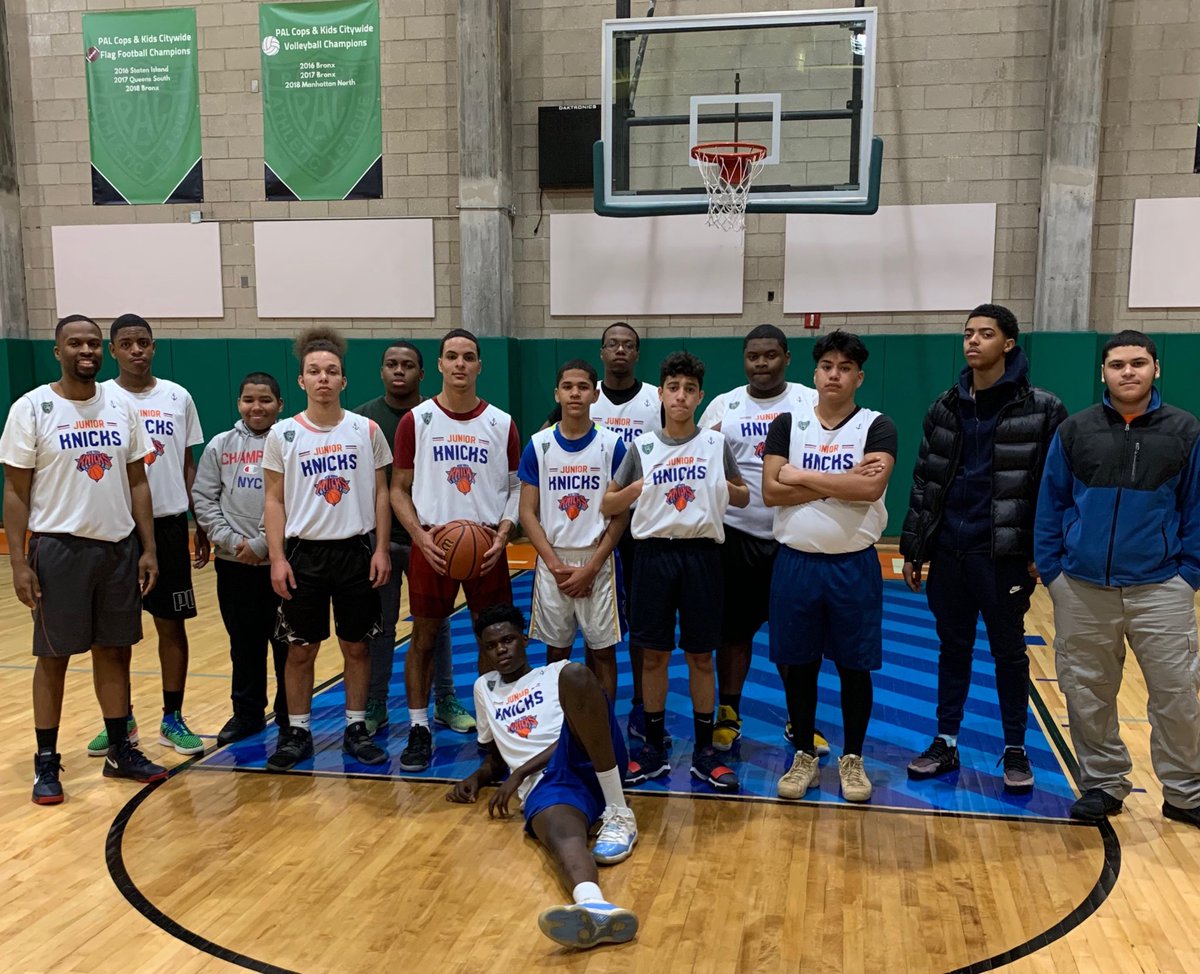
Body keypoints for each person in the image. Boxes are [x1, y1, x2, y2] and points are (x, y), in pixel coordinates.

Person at [1035, 331, 1200, 828]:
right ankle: (1103, 784)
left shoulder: (1185, 430)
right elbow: (1051, 502)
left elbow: (1195, 506)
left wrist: (1189, 574)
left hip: (1162, 587)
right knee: (1086, 693)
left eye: (1138, 363)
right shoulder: (1075, 430)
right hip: (1082, 588)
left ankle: (1186, 793)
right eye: (1117, 364)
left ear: (1156, 369)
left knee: (1177, 694)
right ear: (1102, 372)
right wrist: (1053, 572)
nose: (1128, 372)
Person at [900, 304, 1067, 793]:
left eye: (986, 334)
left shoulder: (1044, 408)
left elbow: (1054, 488)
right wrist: (915, 547)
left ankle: (1015, 748)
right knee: (953, 648)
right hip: (950, 551)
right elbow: (924, 481)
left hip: (1004, 555)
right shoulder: (945, 406)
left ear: (1008, 344)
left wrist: (1041, 549)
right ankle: (946, 740)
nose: (973, 341)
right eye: (968, 333)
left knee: (1009, 653)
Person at [1, 314, 167, 803]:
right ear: (58, 352)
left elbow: (138, 481)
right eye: (75, 343)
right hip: (58, 548)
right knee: (53, 657)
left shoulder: (120, 406)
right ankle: (46, 761)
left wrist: (148, 548)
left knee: (115, 651)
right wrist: (18, 561)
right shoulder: (32, 408)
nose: (87, 350)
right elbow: (16, 491)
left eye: (93, 343)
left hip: (117, 548)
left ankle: (120, 750)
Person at [447, 603, 638, 950]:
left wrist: (519, 772)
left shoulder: (555, 673)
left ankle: (619, 810)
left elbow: (584, 726)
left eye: (507, 640)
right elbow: (495, 756)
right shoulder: (483, 688)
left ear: (524, 640)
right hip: (548, 786)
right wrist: (478, 776)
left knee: (578, 674)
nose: (501, 650)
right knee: (563, 839)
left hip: (587, 753)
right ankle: (594, 907)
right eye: (491, 646)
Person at [602, 351, 749, 790]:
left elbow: (743, 496)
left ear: (700, 396)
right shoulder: (642, 448)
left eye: (689, 389)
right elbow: (608, 503)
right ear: (661, 395)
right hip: (652, 557)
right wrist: (636, 487)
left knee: (701, 656)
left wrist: (724, 488)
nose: (681, 396)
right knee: (654, 655)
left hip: (702, 556)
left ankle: (704, 751)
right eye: (673, 388)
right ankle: (652, 747)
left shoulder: (715, 445)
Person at [762, 330, 897, 804]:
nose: (834, 375)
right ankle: (804, 753)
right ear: (815, 373)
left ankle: (853, 758)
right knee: (798, 665)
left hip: (852, 565)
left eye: (844, 368)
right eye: (826, 366)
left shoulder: (877, 426)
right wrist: (841, 481)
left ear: (859, 377)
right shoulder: (788, 423)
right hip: (795, 563)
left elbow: (869, 490)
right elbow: (771, 492)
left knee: (854, 667)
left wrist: (800, 475)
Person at [262, 328, 393, 771]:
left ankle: (356, 728)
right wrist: (277, 558)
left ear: (343, 380)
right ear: (301, 380)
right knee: (301, 650)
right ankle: (298, 731)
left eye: (331, 371)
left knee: (356, 646)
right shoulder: (282, 434)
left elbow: (381, 493)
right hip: (304, 554)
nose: (323, 378)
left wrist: (380, 548)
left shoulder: (367, 430)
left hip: (355, 551)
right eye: (314, 371)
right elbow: (274, 500)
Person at [391, 328, 520, 772]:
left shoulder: (501, 422)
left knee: (494, 639)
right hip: (433, 544)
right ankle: (418, 728)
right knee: (423, 638)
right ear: (440, 365)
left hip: (486, 546)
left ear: (480, 365)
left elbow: (517, 487)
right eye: (452, 356)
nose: (460, 364)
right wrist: (419, 536)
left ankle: (493, 728)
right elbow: (398, 488)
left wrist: (504, 533)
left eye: (468, 356)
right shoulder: (417, 420)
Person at [697, 323, 823, 754]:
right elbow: (700, 462)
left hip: (793, 538)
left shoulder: (808, 400)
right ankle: (728, 714)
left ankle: (800, 720)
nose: (761, 364)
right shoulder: (723, 405)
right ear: (744, 360)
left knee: (794, 636)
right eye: (753, 356)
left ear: (787, 358)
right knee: (732, 634)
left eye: (770, 355)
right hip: (736, 536)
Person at [544, 322, 662, 744]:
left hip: (642, 525)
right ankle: (577, 709)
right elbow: (549, 449)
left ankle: (637, 705)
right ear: (602, 351)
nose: (620, 350)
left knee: (636, 625)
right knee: (589, 628)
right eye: (613, 343)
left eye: (628, 344)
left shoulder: (655, 400)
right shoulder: (574, 402)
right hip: (591, 525)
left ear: (637, 353)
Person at [97, 313, 209, 758]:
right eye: (126, 344)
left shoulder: (178, 396)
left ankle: (172, 717)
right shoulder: (100, 398)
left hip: (168, 524)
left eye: (143, 342)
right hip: (116, 529)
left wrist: (198, 521)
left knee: (171, 624)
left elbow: (187, 463)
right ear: (113, 351)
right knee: (115, 632)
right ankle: (120, 719)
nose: (136, 350)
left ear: (154, 347)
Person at [353, 342, 473, 737]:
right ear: (381, 371)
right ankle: (376, 701)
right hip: (382, 541)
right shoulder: (363, 420)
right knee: (382, 626)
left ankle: (445, 699)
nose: (399, 370)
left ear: (423, 373)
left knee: (437, 626)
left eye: (407, 365)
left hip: (435, 540)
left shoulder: (438, 415)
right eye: (391, 364)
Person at [519, 360, 629, 700]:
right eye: (568, 387)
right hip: (554, 560)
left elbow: (620, 515)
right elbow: (526, 512)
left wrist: (591, 568)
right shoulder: (538, 445)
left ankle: (604, 724)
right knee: (556, 653)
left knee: (603, 653)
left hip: (598, 560)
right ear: (557, 394)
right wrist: (554, 565)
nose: (575, 393)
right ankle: (559, 723)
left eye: (583, 387)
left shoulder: (613, 445)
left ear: (595, 395)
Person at [193, 372, 290, 746]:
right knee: (244, 644)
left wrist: (265, 544)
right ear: (238, 403)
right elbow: (204, 499)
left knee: (287, 644)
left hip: (282, 562)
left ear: (280, 405)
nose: (256, 407)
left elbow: (297, 499)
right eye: (249, 399)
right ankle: (247, 714)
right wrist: (233, 542)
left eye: (265, 400)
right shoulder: (220, 445)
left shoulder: (292, 442)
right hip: (234, 564)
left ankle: (290, 716)